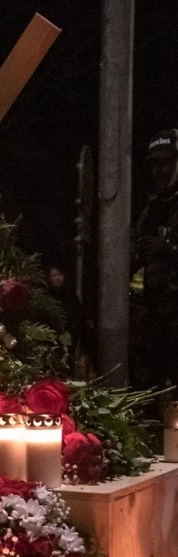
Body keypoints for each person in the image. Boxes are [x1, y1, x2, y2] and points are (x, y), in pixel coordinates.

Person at [132, 129, 178, 393]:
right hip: (154, 318)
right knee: (146, 391)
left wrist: (170, 249)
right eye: (154, 164)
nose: (158, 171)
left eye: (166, 163)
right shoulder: (151, 208)